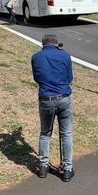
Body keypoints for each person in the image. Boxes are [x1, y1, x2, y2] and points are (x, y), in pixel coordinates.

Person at [31, 34, 74, 182]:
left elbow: (36, 78)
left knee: (45, 133)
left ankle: (43, 166)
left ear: (43, 44)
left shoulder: (36, 57)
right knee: (66, 133)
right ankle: (67, 169)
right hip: (63, 98)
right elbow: (69, 78)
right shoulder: (65, 56)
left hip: (46, 99)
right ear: (57, 44)